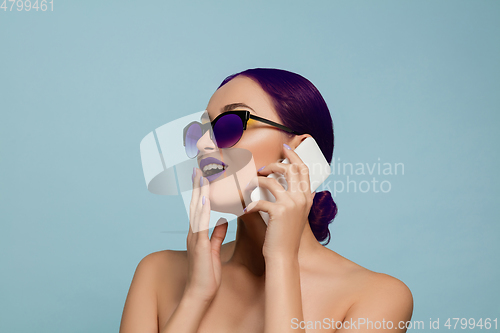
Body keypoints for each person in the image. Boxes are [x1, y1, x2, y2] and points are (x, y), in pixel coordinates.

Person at [119, 68, 413, 333]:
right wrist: (196, 295)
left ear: (299, 153)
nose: (204, 144)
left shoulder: (378, 297)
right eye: (201, 132)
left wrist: (281, 261)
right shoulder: (158, 273)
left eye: (231, 125)